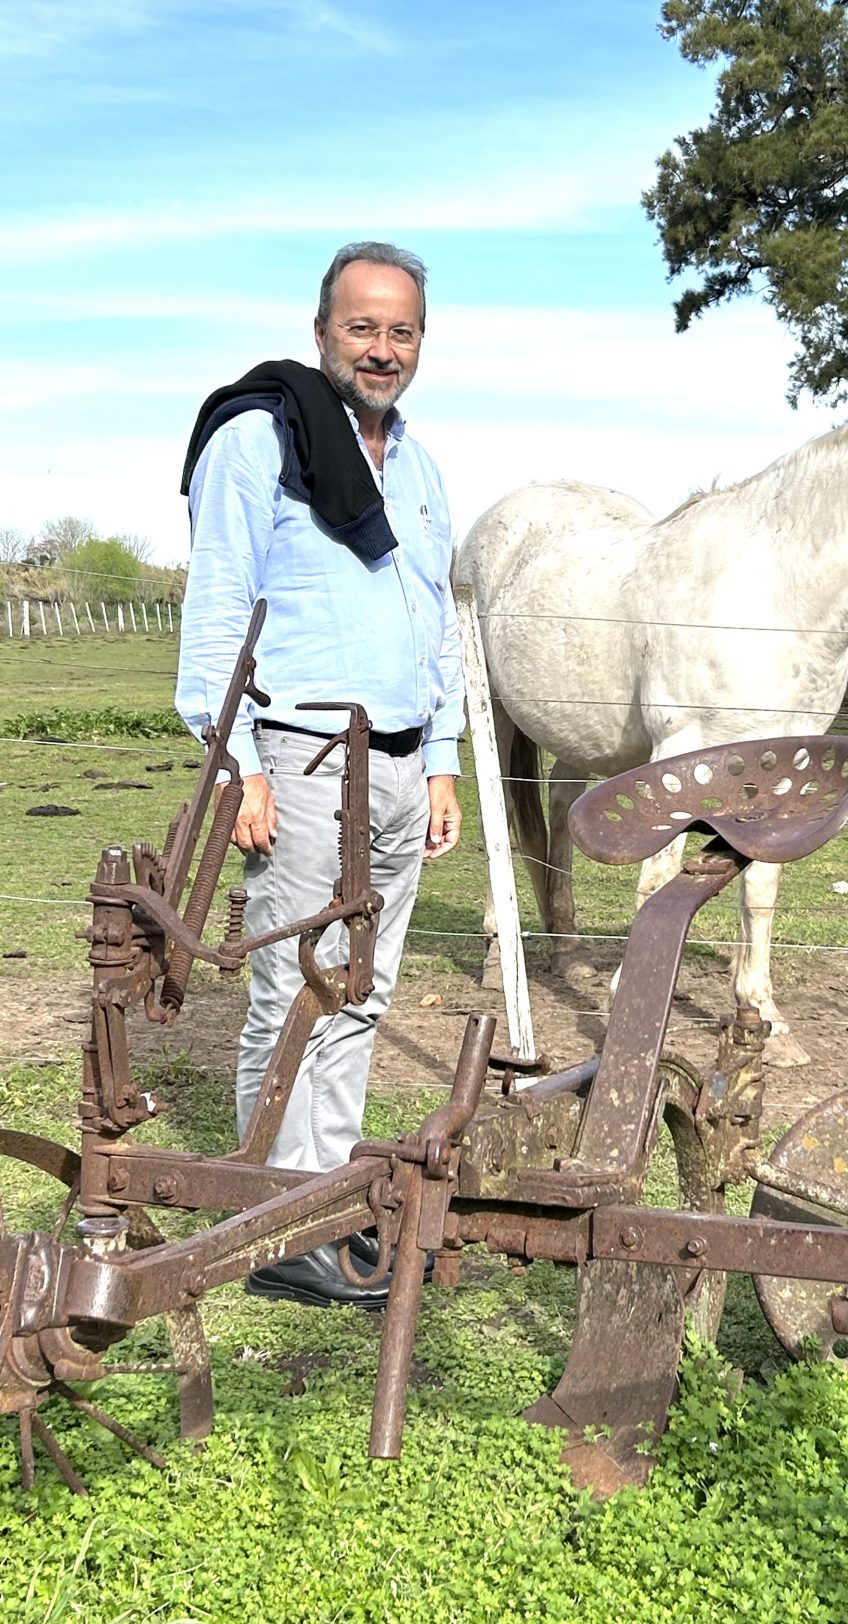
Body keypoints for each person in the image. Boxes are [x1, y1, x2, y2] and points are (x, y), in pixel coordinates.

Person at [175, 242, 464, 1308]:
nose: (382, 349)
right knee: (296, 991)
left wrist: (441, 760)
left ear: (420, 343)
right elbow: (218, 613)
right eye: (362, 326)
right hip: (301, 760)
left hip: (398, 764)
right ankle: (275, 1223)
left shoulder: (420, 467)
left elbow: (437, 625)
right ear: (321, 332)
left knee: (362, 992)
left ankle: (325, 1201)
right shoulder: (260, 441)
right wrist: (235, 768)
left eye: (401, 331)